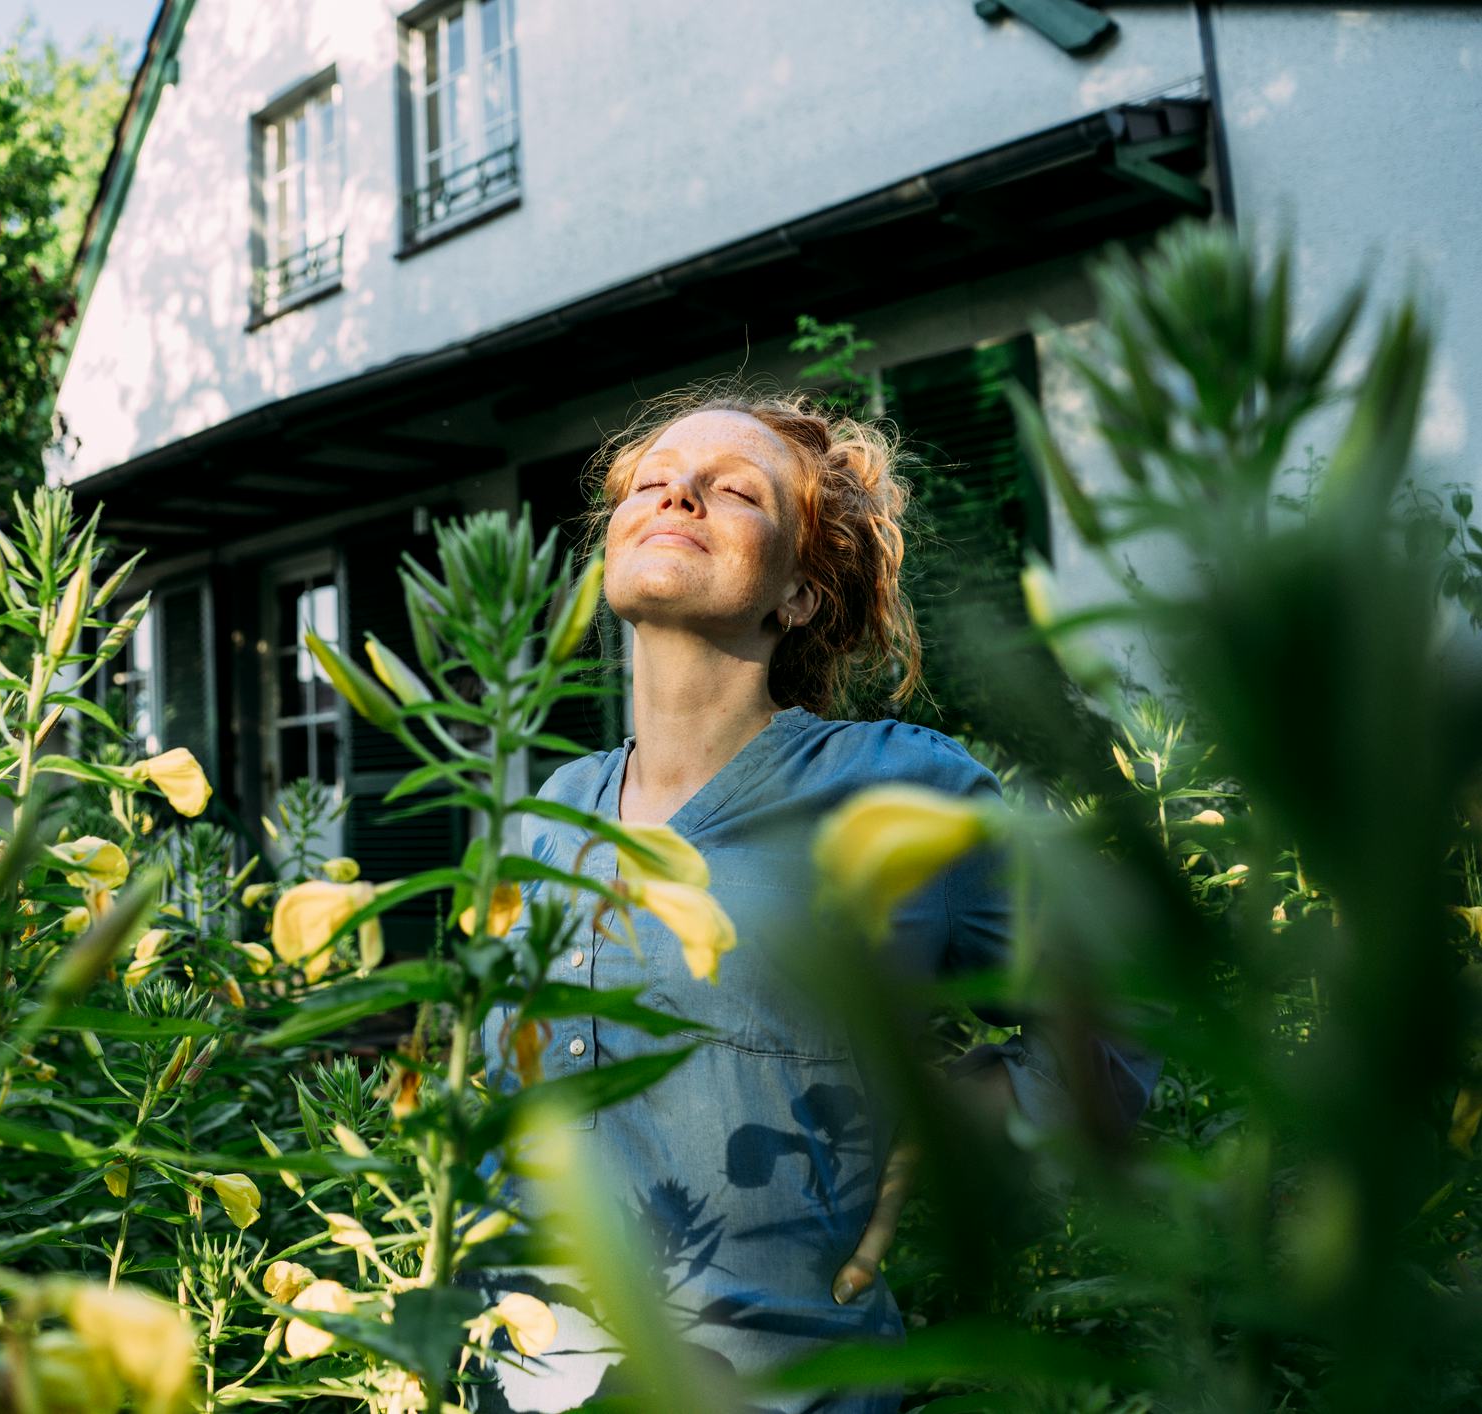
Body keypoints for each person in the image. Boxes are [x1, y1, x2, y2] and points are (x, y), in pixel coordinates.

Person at [463, 381, 1161, 1412]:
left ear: (796, 592)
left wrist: (964, 1117)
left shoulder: (896, 789)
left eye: (735, 490)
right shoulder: (546, 810)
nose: (678, 495)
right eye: (651, 482)